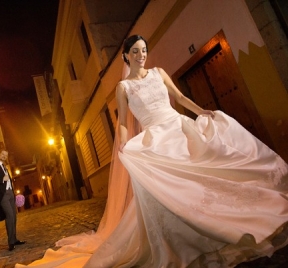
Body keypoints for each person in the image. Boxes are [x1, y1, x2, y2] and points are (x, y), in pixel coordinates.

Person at [15, 35, 288, 267]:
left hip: (179, 127)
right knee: (171, 189)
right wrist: (122, 143)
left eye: (144, 50)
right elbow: (122, 122)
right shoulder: (124, 87)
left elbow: (178, 98)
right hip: (155, 138)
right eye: (135, 52)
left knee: (206, 171)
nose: (141, 55)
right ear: (126, 56)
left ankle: (226, 216)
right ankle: (184, 235)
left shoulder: (158, 73)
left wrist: (200, 111)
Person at [0, 149, 26, 251]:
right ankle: (11, 242)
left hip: (10, 194)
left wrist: (13, 193)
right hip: (2, 195)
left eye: (6, 155)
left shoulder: (5, 167)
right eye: (2, 154)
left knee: (14, 217)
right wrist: (1, 179)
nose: (4, 156)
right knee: (10, 215)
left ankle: (14, 239)